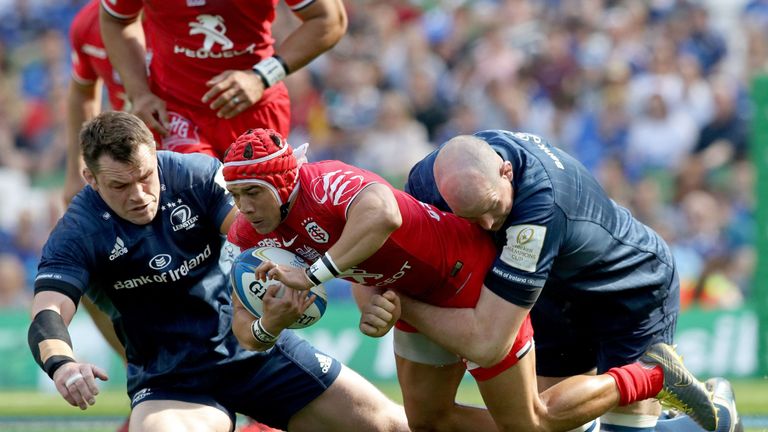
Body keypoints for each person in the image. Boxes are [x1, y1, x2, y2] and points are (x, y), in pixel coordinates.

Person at [221, 127, 718, 432]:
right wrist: (270, 326)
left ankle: (654, 373)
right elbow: (251, 327)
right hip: (479, 292)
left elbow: (380, 216)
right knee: (428, 423)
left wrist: (336, 283)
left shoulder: (326, 180)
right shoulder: (432, 176)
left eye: (252, 192)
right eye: (235, 193)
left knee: (534, 423)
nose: (242, 206)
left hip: (537, 287)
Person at [27, 111, 408, 432]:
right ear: (90, 179)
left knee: (392, 425)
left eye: (145, 176)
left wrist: (368, 293)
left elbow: (264, 243)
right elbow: (48, 312)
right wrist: (62, 365)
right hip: (172, 380)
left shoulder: (195, 177)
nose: (140, 195)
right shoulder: (79, 229)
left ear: (155, 156)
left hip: (257, 351)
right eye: (120, 185)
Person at [367, 129, 729, 432]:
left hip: (629, 291)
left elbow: (488, 344)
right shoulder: (427, 183)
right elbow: (379, 246)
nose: (490, 226)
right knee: (560, 425)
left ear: (506, 171)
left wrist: (405, 308)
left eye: (493, 208)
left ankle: (694, 400)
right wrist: (373, 298)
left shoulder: (539, 208)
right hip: (553, 296)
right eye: (472, 218)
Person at [98, 0, 347, 159]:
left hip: (253, 107)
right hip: (176, 111)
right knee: (191, 209)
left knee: (259, 222)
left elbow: (330, 19)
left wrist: (261, 77)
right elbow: (115, 20)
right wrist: (139, 92)